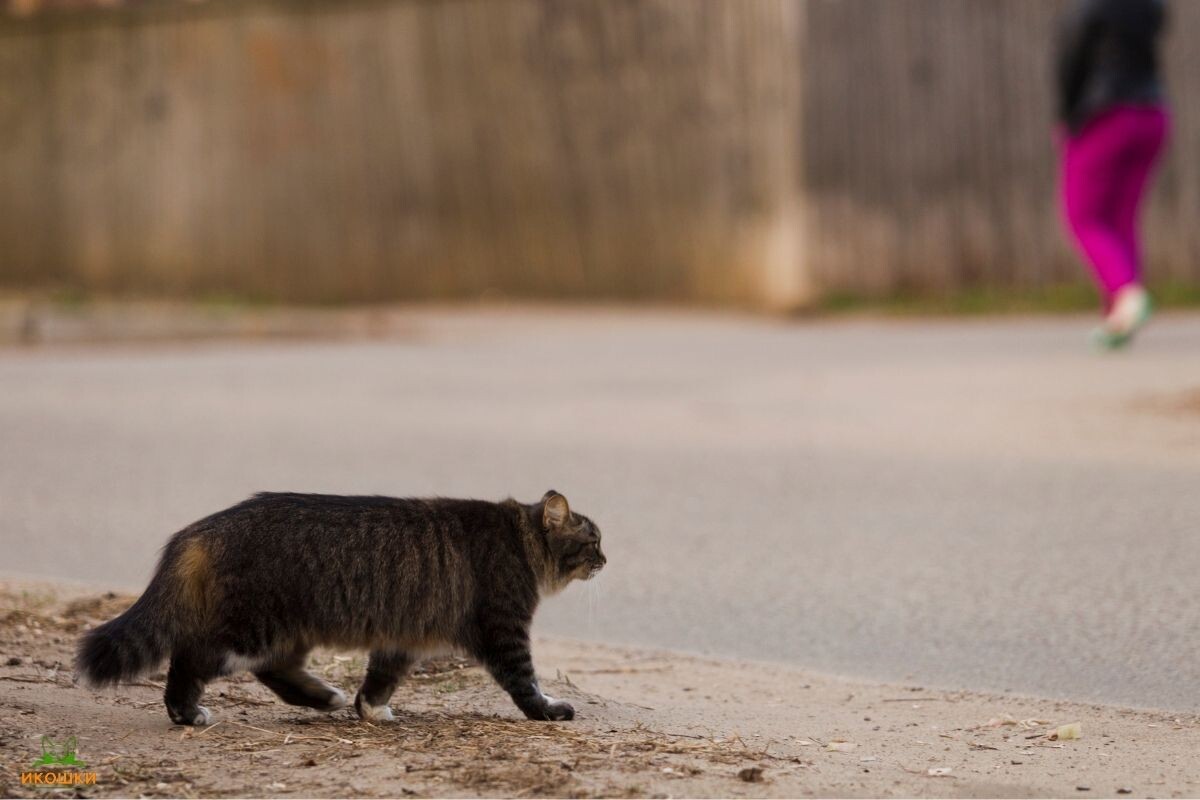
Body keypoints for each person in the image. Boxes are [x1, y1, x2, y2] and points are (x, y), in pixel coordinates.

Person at [1056, 0, 1169, 349]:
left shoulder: (1091, 9)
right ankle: (1118, 316)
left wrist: (1066, 119)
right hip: (1152, 113)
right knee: (1120, 220)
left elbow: (1071, 64)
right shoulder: (1148, 8)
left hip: (1103, 114)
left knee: (1084, 217)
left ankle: (1125, 294)